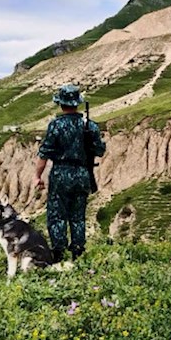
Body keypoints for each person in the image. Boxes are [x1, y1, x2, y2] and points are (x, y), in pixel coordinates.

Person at [33, 85, 106, 262]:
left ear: (61, 104)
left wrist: (37, 176)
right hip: (82, 173)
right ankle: (78, 253)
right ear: (77, 103)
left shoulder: (55, 126)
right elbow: (100, 150)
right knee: (78, 216)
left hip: (60, 173)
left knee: (57, 215)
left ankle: (58, 253)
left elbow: (45, 153)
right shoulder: (90, 126)